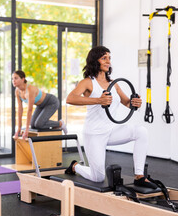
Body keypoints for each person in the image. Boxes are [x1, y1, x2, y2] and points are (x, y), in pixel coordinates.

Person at [65, 46, 157, 189]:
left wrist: (135, 103)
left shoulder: (113, 84)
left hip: (111, 131)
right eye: (104, 58)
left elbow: (127, 102)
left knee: (141, 131)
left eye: (109, 58)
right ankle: (75, 166)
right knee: (98, 177)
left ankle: (139, 176)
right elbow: (70, 99)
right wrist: (98, 100)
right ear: (95, 61)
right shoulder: (88, 82)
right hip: (94, 134)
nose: (108, 61)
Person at [12, 70, 67, 139]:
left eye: (16, 78)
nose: (13, 80)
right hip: (40, 105)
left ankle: (60, 123)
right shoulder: (17, 91)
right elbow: (20, 109)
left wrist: (26, 130)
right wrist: (19, 128)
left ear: (23, 79)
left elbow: (29, 110)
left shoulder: (29, 90)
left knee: (39, 124)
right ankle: (55, 124)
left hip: (51, 102)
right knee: (33, 125)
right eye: (12, 78)